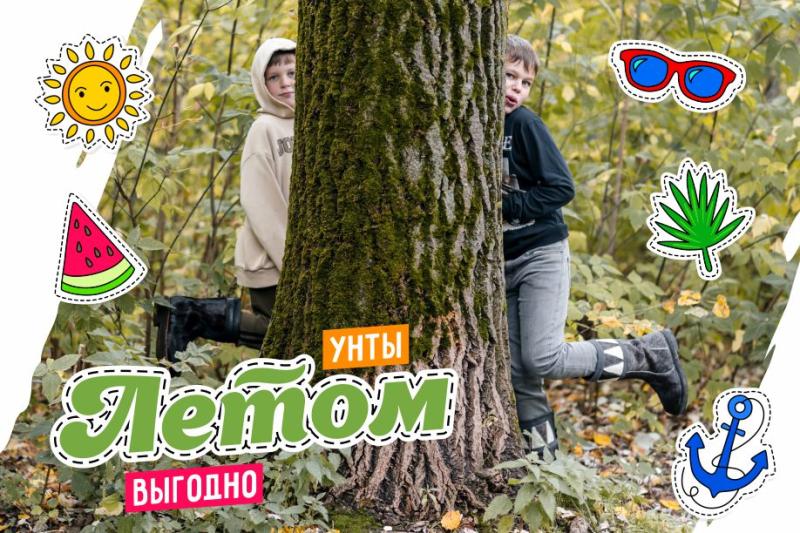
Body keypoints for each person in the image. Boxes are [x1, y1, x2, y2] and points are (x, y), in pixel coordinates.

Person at [501, 35, 688, 454]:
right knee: (518, 372)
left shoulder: (525, 125)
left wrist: (507, 205)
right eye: (509, 76)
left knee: (542, 358)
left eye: (526, 82)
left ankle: (646, 354)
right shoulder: (474, 128)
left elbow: (561, 188)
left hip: (540, 254)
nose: (517, 88)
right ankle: (543, 465)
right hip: (502, 261)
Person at [155, 38, 297, 361]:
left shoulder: (306, 124)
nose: (285, 83)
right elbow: (260, 203)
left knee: (290, 334)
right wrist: (292, 260)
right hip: (271, 256)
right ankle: (188, 315)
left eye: (292, 73)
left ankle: (188, 314)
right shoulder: (264, 129)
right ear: (261, 84)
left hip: (292, 254)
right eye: (274, 77)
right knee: (283, 332)